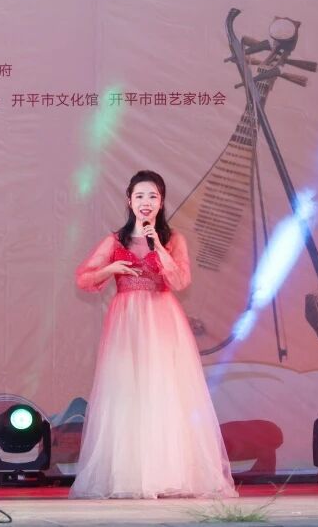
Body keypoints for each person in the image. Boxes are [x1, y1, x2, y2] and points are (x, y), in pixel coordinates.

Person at [71, 170, 237, 499]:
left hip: (161, 320)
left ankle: (167, 474)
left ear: (161, 202)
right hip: (126, 324)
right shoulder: (114, 241)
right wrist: (111, 269)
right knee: (126, 394)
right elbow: (84, 279)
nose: (146, 202)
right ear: (129, 201)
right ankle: (129, 476)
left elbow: (180, 282)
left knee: (163, 392)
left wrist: (158, 246)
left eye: (153, 196)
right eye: (140, 196)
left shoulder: (173, 239)